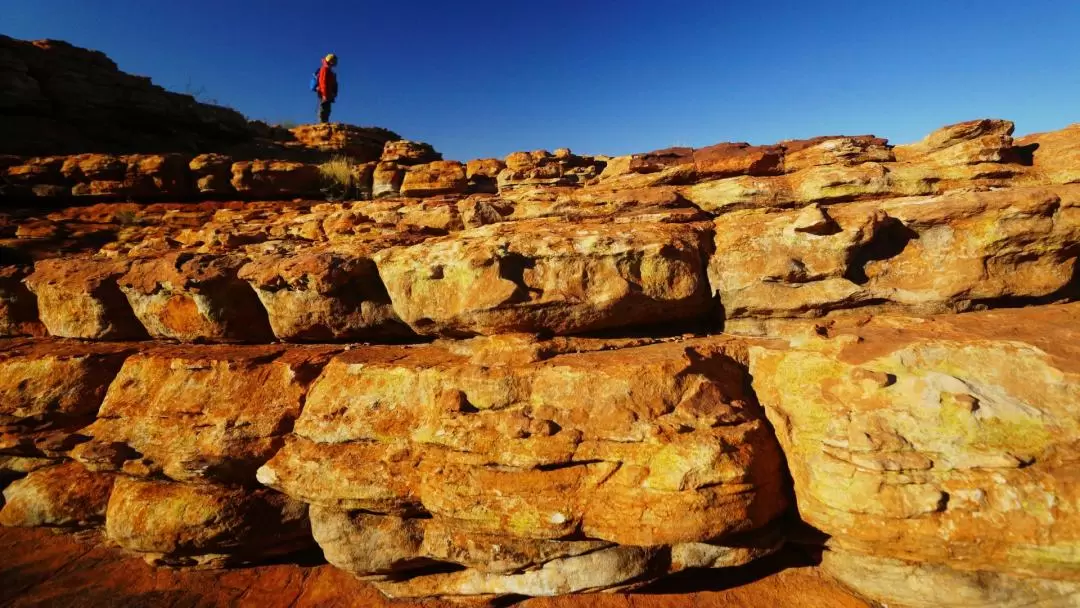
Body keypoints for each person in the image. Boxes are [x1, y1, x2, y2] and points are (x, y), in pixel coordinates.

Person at [316, 53, 338, 124]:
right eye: (334, 61)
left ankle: (324, 123)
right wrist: (324, 94)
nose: (335, 62)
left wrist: (333, 93)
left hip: (328, 94)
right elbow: (323, 82)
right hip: (324, 93)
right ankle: (322, 124)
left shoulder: (329, 71)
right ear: (330, 61)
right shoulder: (324, 69)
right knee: (323, 109)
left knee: (327, 109)